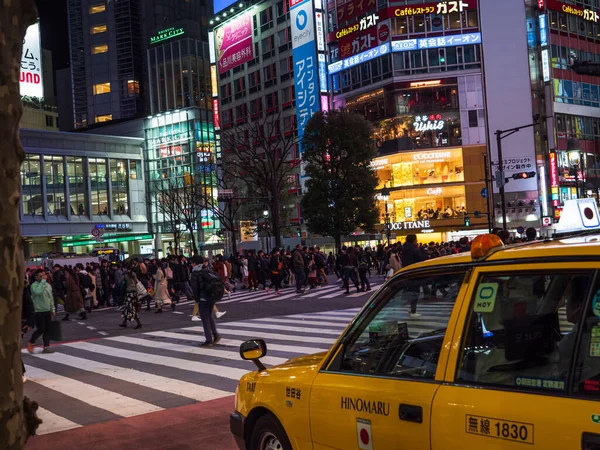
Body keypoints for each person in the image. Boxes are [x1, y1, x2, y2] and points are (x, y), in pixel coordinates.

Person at [190, 255, 222, 347]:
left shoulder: (195, 273)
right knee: (209, 316)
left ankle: (209, 340)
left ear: (194, 263)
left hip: (203, 298)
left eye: (192, 263)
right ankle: (215, 335)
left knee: (205, 319)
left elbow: (195, 289)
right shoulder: (207, 269)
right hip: (212, 296)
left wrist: (197, 300)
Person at [27, 269, 56, 354]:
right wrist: (43, 282)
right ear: (36, 277)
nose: (44, 277)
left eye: (44, 275)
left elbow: (50, 298)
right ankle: (31, 342)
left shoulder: (48, 285)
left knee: (48, 330)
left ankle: (46, 347)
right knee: (41, 329)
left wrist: (52, 309)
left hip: (47, 310)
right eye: (41, 276)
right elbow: (38, 292)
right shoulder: (34, 286)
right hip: (38, 311)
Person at [403, 234, 427, 317]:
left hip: (407, 272)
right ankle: (413, 310)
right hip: (415, 272)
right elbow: (422, 259)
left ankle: (411, 308)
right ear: (414, 240)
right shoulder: (415, 249)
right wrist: (422, 250)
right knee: (415, 292)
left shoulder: (404, 249)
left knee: (411, 291)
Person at [21, 286, 35, 382]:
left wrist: (30, 323)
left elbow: (30, 307)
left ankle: (20, 373)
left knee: (13, 349)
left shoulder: (21, 290)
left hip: (17, 323)